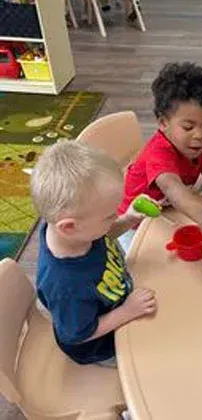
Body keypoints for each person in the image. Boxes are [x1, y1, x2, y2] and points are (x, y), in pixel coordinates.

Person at [31, 140, 157, 366]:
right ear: (69, 227)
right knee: (156, 357)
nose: (114, 217)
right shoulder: (65, 285)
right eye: (109, 215)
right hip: (100, 344)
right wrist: (127, 312)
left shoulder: (77, 231)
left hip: (119, 296)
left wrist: (127, 219)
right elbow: (77, 334)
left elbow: (104, 233)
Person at [117, 62, 202, 250]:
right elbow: (172, 187)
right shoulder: (158, 151)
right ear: (163, 122)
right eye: (188, 127)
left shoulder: (198, 145)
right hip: (135, 225)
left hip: (167, 215)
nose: (199, 135)